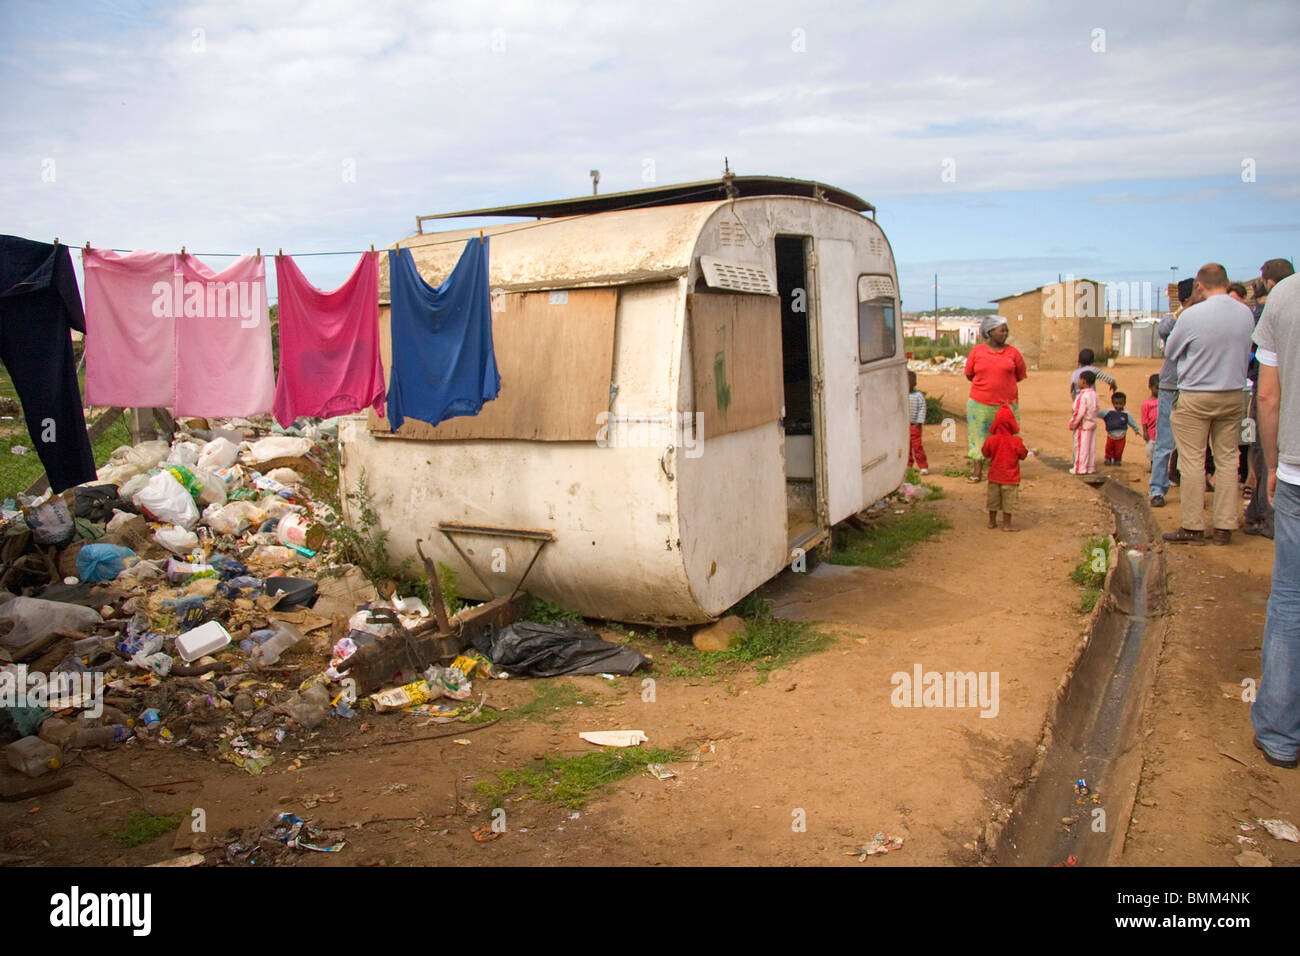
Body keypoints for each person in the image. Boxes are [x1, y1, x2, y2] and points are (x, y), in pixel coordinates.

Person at [1162, 263, 1255, 545]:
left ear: (1199, 286)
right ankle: (1225, 525)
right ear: (1226, 283)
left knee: (1192, 461)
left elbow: (1171, 351)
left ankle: (1193, 525)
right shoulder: (1245, 314)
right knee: (1228, 459)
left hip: (1196, 395)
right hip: (1234, 394)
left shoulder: (1192, 315)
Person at [1249, 269, 1300, 769]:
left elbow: (1268, 396)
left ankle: (1282, 735)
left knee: (1289, 599)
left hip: (1296, 472)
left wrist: (1270, 462)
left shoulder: (1286, 296)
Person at [1245, 259, 1296, 537]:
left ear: (1269, 282)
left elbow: (1266, 394)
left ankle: (1265, 514)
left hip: (1266, 398)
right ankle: (1256, 508)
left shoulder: (1271, 310)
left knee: (1260, 450)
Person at [1150, 280, 1205, 507]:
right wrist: (1183, 311)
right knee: (1165, 442)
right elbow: (1163, 329)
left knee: (1195, 446)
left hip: (1195, 388)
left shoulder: (1203, 319)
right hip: (1171, 388)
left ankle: (1194, 494)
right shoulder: (1174, 319)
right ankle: (1157, 490)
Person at [964, 315, 1027, 482]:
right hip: (979, 404)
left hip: (1006, 406)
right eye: (1002, 330)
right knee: (978, 437)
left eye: (1006, 330)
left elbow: (1019, 376)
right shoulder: (976, 352)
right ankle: (977, 471)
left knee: (1009, 438)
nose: (1005, 333)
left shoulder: (1013, 353)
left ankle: (1007, 471)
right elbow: (969, 374)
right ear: (989, 332)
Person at [981, 404, 1028, 531]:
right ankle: (1007, 525)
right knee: (1009, 502)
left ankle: (991, 522)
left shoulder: (991, 440)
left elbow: (985, 453)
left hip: (994, 476)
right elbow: (1023, 454)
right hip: (1010, 477)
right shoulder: (1016, 441)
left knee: (993, 501)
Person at [1069, 370, 1099, 475]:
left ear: (1084, 381)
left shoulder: (1082, 396)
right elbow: (1097, 409)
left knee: (1081, 448)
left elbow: (1079, 412)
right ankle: (1090, 467)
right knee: (1091, 447)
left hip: (1083, 425)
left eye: (1080, 379)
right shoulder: (1094, 395)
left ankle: (1080, 468)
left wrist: (1073, 424)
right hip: (1092, 424)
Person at [1101, 392, 1142, 465]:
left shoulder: (1126, 414)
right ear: (1113, 403)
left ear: (1124, 403)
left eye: (1120, 404)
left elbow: (1132, 422)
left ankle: (1117, 460)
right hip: (1110, 436)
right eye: (1116, 404)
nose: (1118, 406)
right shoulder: (1108, 412)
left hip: (1121, 437)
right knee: (1109, 448)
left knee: (1119, 450)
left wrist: (1137, 430)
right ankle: (1108, 458)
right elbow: (1099, 414)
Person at [906, 370, 928, 474]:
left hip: (915, 426)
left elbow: (922, 409)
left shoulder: (918, 396)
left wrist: (919, 422)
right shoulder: (902, 395)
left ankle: (923, 466)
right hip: (904, 426)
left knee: (917, 446)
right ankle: (908, 465)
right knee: (906, 447)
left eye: (909, 382)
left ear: (914, 383)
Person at [1141, 374, 1160, 472]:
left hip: (1162, 432)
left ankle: (1159, 467)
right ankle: (1152, 466)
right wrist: (1145, 432)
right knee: (1151, 451)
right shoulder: (1146, 404)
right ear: (1150, 387)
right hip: (1151, 432)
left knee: (1161, 451)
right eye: (1157, 388)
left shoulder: (1163, 401)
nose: (1159, 391)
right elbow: (1144, 419)